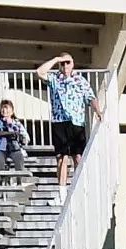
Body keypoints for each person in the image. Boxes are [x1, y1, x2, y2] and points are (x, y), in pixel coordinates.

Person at [36, 52, 102, 197]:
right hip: (60, 122)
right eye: (63, 63)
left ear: (73, 64)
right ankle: (62, 193)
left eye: (68, 62)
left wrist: (98, 111)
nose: (65, 66)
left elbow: (91, 97)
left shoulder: (80, 80)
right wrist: (56, 58)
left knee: (78, 156)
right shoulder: (54, 79)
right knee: (62, 157)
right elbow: (39, 72)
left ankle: (79, 188)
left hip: (76, 121)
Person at [0, 99, 28, 172]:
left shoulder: (16, 123)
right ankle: (0, 181)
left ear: (12, 111)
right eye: (2, 107)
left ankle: (19, 181)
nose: (4, 110)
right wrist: (7, 133)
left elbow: (25, 136)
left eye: (6, 107)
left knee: (19, 158)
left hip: (14, 148)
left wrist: (20, 136)